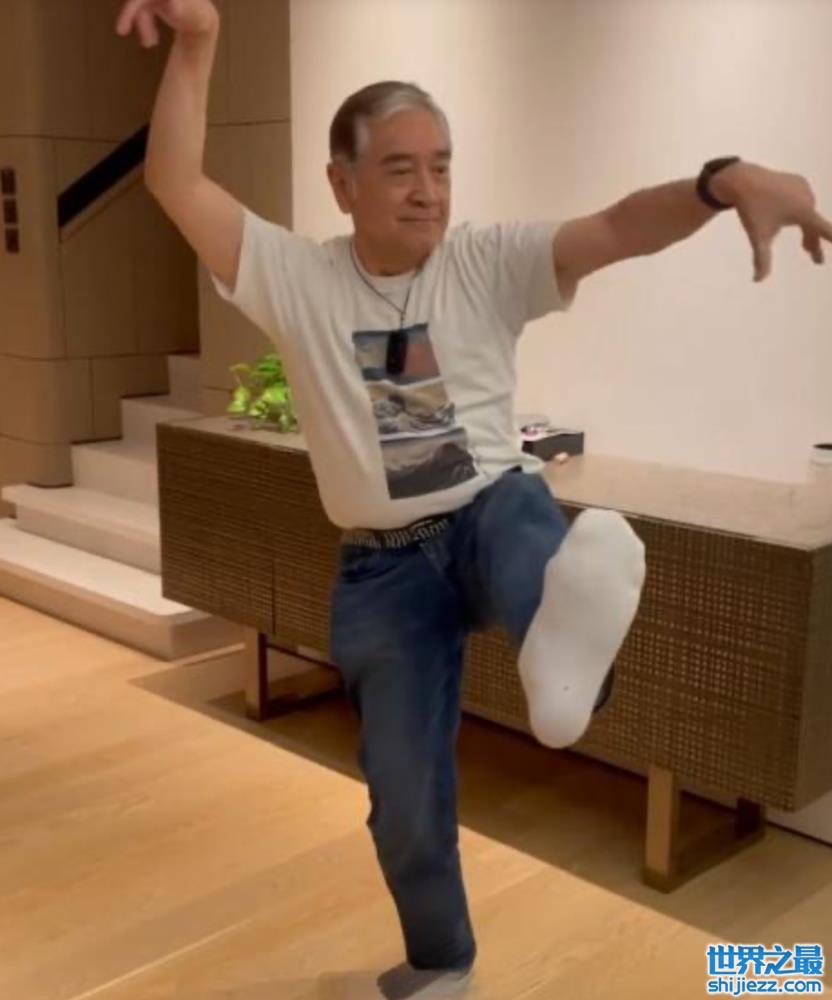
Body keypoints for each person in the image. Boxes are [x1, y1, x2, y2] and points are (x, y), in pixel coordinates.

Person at [117, 2, 831, 997]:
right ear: (342, 183)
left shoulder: (484, 261)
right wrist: (199, 44)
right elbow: (175, 182)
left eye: (442, 166)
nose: (428, 191)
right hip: (380, 569)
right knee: (402, 797)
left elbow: (617, 228)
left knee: (522, 521)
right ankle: (441, 960)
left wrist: (720, 182)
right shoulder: (293, 275)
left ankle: (562, 659)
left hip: (488, 514)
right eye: (400, 168)